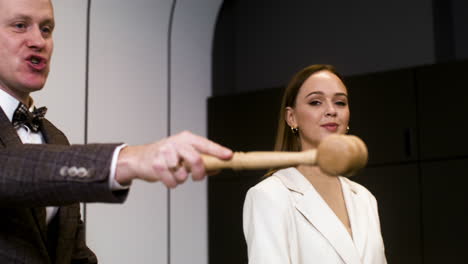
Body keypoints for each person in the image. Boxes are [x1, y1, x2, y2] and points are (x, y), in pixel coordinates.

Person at [0, 0, 232, 263]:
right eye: (20, 26)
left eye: (46, 29)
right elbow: (9, 169)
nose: (39, 41)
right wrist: (129, 159)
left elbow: (72, 252)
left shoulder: (55, 138)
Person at [242, 64, 386, 264]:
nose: (331, 110)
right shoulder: (270, 196)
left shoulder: (364, 198)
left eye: (340, 102)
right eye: (316, 102)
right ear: (291, 117)